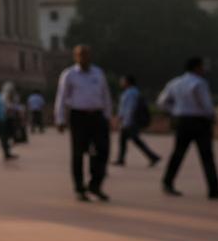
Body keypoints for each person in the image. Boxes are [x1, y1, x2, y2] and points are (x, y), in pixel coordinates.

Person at [158, 57, 218, 200]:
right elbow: (206, 105)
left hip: (182, 121)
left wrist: (175, 110)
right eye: (202, 66)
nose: (203, 69)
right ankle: (214, 189)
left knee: (178, 153)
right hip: (199, 122)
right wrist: (212, 116)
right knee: (207, 156)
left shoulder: (175, 82)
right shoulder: (199, 83)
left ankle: (167, 182)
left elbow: (162, 102)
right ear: (196, 67)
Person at [54, 45, 113, 201]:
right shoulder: (69, 75)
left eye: (86, 55)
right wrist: (60, 119)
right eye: (80, 55)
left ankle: (95, 185)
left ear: (90, 56)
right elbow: (61, 98)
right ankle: (80, 188)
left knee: (102, 150)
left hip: (97, 116)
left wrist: (107, 116)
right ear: (75, 57)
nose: (83, 58)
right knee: (78, 153)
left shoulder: (98, 73)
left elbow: (105, 95)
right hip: (78, 116)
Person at [114, 75, 160, 167]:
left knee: (136, 141)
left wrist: (125, 120)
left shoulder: (131, 93)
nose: (121, 83)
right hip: (129, 121)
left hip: (130, 121)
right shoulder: (131, 92)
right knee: (125, 140)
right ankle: (121, 159)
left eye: (123, 81)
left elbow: (130, 108)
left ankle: (153, 157)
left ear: (128, 82)